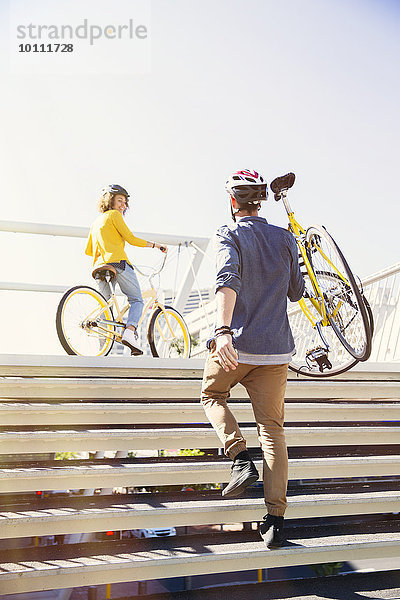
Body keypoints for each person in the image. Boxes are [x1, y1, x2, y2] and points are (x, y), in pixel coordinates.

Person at [201, 169, 305, 548]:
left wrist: (223, 330)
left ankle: (239, 458)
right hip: (276, 350)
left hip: (238, 346)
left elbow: (227, 278)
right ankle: (275, 520)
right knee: (273, 430)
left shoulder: (228, 233)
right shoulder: (285, 237)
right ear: (260, 200)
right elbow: (296, 292)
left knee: (212, 396)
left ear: (233, 202)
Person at [85, 184, 166, 355]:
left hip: (99, 266)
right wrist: (155, 245)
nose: (123, 205)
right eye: (119, 200)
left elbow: (89, 250)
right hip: (118, 263)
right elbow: (130, 238)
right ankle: (129, 332)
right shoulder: (114, 215)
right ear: (110, 201)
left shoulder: (95, 222)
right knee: (136, 300)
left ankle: (102, 348)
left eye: (125, 202)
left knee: (105, 309)